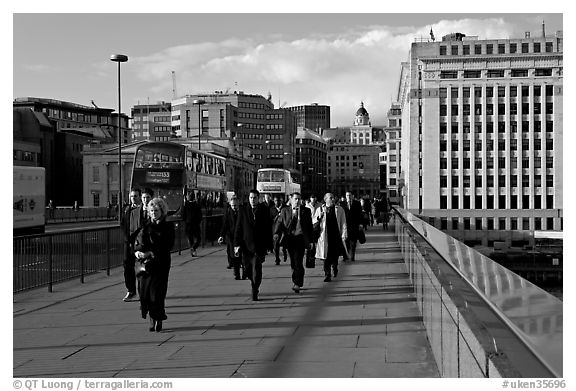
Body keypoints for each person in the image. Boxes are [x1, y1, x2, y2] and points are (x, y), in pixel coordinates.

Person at [133, 198, 175, 332]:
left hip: (160, 263)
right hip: (146, 265)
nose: (153, 213)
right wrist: (137, 252)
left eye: (156, 210)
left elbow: (168, 245)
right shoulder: (145, 226)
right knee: (145, 293)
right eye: (151, 211)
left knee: (157, 293)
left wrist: (151, 252)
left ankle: (158, 318)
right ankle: (152, 316)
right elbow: (136, 243)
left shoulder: (168, 226)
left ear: (162, 211)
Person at [234, 189, 273, 301]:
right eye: (250, 198)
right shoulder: (243, 210)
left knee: (257, 268)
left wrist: (270, 245)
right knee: (247, 269)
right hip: (246, 246)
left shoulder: (264, 210)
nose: (252, 200)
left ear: (258, 198)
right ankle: (252, 281)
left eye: (254, 198)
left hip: (259, 246)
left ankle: (255, 288)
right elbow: (238, 228)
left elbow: (268, 228)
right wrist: (236, 244)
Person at [274, 192, 313, 293]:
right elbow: (280, 223)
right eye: (295, 199)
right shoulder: (285, 211)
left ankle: (297, 283)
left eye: (299, 199)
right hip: (290, 239)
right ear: (290, 200)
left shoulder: (306, 211)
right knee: (293, 261)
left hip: (300, 239)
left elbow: (310, 228)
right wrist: (276, 233)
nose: (297, 201)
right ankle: (296, 279)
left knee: (298, 260)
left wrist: (312, 241)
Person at [313, 193, 348, 282]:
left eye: (333, 197)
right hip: (325, 236)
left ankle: (335, 267)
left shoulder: (339, 209)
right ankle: (327, 274)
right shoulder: (320, 209)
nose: (333, 199)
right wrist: (319, 217)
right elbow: (314, 221)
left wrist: (344, 233)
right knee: (326, 257)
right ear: (325, 199)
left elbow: (343, 222)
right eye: (330, 198)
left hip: (336, 236)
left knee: (335, 255)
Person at [120, 188, 147, 302]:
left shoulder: (144, 210)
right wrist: (127, 238)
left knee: (142, 267)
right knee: (127, 266)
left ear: (140, 197)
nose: (133, 198)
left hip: (140, 243)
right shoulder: (126, 209)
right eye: (131, 196)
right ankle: (131, 290)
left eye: (135, 196)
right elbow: (122, 224)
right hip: (129, 243)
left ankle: (144, 291)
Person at [218, 197, 245, 280]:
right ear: (230, 205)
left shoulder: (243, 212)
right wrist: (221, 236)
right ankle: (236, 273)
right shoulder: (228, 212)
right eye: (233, 205)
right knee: (234, 256)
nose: (234, 207)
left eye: (236, 206)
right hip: (231, 237)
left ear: (238, 204)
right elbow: (225, 225)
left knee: (243, 257)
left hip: (242, 237)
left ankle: (245, 273)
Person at [343, 191, 364, 263]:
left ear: (352, 196)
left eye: (349, 195)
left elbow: (360, 214)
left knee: (353, 243)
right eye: (347, 195)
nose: (348, 197)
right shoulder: (342, 204)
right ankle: (346, 256)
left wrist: (361, 224)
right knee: (346, 242)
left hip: (354, 225)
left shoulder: (357, 203)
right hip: (345, 226)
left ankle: (352, 257)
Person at [182, 192, 203, 257]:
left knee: (190, 238)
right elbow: (200, 215)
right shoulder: (197, 205)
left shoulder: (185, 205)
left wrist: (186, 221)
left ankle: (192, 250)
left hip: (188, 224)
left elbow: (183, 215)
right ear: (194, 197)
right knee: (198, 238)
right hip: (196, 225)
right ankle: (194, 248)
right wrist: (198, 222)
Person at [270, 195, 287, 265]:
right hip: (276, 229)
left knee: (285, 243)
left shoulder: (285, 208)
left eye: (279, 201)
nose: (277, 202)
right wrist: (276, 217)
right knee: (276, 244)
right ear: (274, 201)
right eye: (276, 201)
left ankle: (285, 252)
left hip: (284, 228)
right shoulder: (272, 209)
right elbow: (270, 219)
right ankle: (277, 258)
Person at [305, 194, 321, 267]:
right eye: (312, 198)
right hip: (309, 226)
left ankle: (313, 258)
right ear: (310, 199)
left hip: (317, 226)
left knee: (315, 244)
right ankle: (310, 261)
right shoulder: (307, 206)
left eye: (314, 197)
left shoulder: (320, 205)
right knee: (311, 244)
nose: (313, 199)